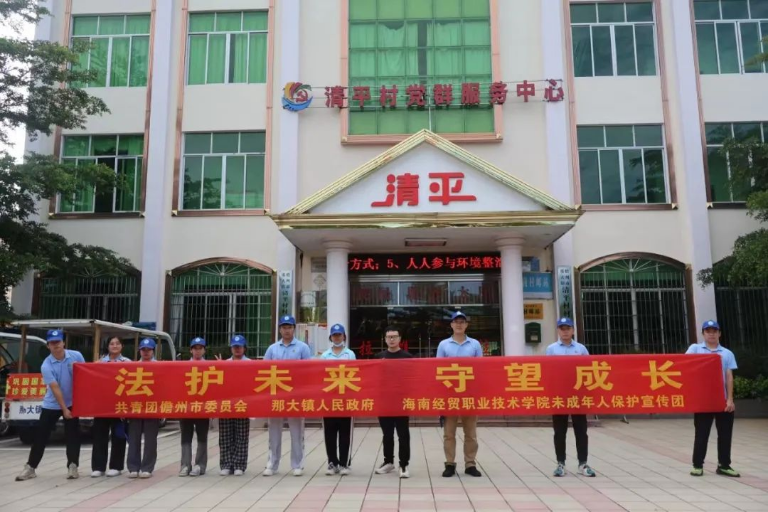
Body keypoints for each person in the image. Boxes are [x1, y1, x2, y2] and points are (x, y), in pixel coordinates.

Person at [16, 329, 85, 481]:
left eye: (58, 342)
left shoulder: (76, 356)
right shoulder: (46, 365)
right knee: (41, 435)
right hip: (52, 404)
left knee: (73, 435)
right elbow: (55, 388)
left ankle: (73, 466)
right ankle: (31, 467)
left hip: (72, 402)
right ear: (48, 346)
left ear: (63, 342)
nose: (56, 345)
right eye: (52, 343)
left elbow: (85, 375)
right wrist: (64, 409)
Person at [687, 320, 740, 477]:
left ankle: (724, 465)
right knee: (701, 434)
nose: (711, 334)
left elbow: (729, 377)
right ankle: (697, 465)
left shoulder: (727, 353)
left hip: (722, 401)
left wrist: (730, 399)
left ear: (719, 333)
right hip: (703, 401)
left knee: (725, 434)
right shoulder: (695, 349)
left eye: (714, 331)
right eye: (708, 331)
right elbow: (684, 365)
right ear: (703, 334)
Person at [545, 317, 596, 478]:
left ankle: (583, 463)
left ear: (573, 330)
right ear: (558, 331)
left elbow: (589, 370)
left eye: (568, 328)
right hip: (559, 396)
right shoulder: (551, 349)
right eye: (562, 328)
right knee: (559, 432)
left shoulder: (581, 349)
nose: (565, 331)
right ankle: (560, 463)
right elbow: (547, 371)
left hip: (577, 395)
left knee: (581, 431)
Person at [262, 316, 312, 477]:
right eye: (284, 327)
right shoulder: (272, 349)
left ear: (294, 328)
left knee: (296, 432)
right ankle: (272, 464)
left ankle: (298, 464)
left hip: (295, 396)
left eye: (289, 327)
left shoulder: (303, 347)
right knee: (274, 432)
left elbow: (309, 371)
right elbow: (264, 371)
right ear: (280, 329)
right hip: (276, 396)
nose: (286, 330)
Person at [436, 311, 483, 478]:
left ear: (466, 325)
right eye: (456, 322)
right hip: (450, 394)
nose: (459, 325)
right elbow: (438, 370)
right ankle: (450, 463)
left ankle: (470, 464)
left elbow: (481, 369)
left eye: (462, 322)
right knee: (449, 433)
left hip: (469, 394)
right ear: (451, 325)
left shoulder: (475, 344)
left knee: (471, 433)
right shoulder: (444, 345)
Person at [374, 326, 413, 478]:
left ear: (400, 339)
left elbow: (412, 378)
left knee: (403, 434)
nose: (391, 339)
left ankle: (404, 464)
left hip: (402, 401)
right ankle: (388, 461)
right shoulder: (379, 357)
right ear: (385, 339)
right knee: (387, 434)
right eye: (389, 337)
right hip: (384, 401)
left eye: (394, 337)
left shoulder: (407, 357)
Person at [91, 337, 131, 477]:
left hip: (120, 405)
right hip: (102, 405)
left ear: (122, 346)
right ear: (107, 346)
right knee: (99, 436)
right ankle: (98, 467)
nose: (114, 346)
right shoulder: (99, 363)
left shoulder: (128, 363)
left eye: (117, 343)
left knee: (118, 436)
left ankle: (116, 466)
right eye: (111, 343)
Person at [320, 323, 356, 476]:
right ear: (331, 337)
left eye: (339, 335)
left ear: (344, 336)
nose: (337, 338)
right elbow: (321, 375)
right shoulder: (325, 356)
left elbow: (355, 374)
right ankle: (332, 462)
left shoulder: (350, 354)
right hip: (329, 398)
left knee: (345, 432)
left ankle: (344, 463)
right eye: (334, 335)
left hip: (346, 398)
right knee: (329, 432)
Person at [218, 334, 252, 476]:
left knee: (241, 435)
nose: (237, 349)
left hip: (243, 404)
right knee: (225, 435)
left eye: (240, 347)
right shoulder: (224, 364)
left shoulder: (250, 364)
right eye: (235, 347)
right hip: (226, 404)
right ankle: (226, 464)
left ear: (244, 348)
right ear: (231, 348)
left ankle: (239, 465)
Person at [127, 338, 161, 479]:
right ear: (139, 351)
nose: (146, 352)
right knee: (133, 438)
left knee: (150, 439)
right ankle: (133, 467)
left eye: (149, 350)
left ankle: (147, 467)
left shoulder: (160, 367)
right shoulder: (132, 366)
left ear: (153, 351)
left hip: (152, 407)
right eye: (143, 350)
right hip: (136, 407)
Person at [179, 337, 210, 477]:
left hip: (203, 407)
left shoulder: (210, 367)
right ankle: (185, 465)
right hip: (186, 407)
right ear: (190, 350)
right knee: (186, 437)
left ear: (204, 350)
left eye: (200, 348)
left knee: (202, 437)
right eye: (195, 348)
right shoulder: (182, 366)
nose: (197, 351)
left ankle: (200, 465)